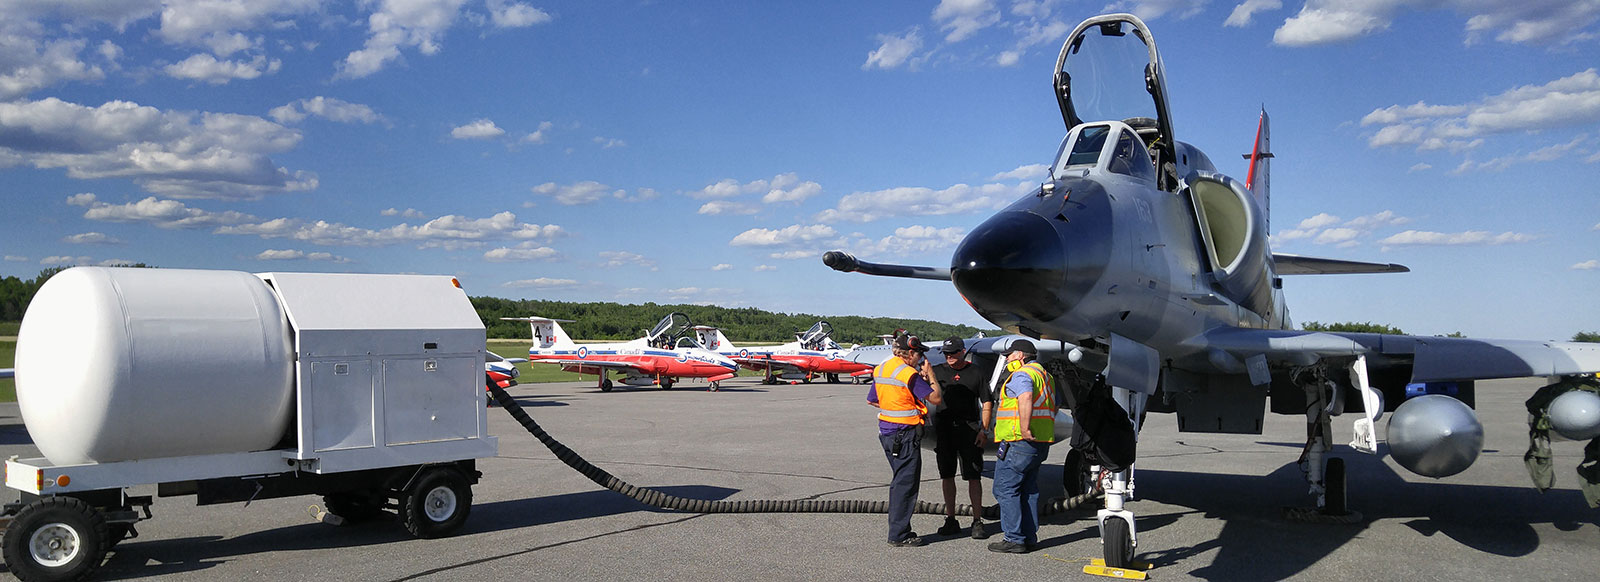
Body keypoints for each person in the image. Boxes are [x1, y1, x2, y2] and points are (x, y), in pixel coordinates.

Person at [867, 333, 943, 547]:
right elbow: (935, 398)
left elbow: (873, 400)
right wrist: (931, 376)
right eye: (919, 354)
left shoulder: (882, 368)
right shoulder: (908, 373)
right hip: (905, 435)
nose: (921, 359)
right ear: (910, 353)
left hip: (887, 432)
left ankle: (899, 529)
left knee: (900, 480)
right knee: (905, 484)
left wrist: (899, 401)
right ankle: (899, 534)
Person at [988, 339, 1057, 554]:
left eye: (1009, 355)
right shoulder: (1046, 376)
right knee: (1028, 490)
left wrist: (1025, 428)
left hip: (1019, 440)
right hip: (1040, 442)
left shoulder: (1022, 375)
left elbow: (1025, 396)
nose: (1006, 359)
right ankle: (1029, 537)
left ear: (1020, 355)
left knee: (1005, 489)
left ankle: (1014, 538)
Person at [929, 336, 995, 539]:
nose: (949, 357)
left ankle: (977, 520)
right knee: (946, 475)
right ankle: (951, 518)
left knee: (973, 476)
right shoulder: (937, 371)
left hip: (970, 430)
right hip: (945, 430)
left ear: (962, 352)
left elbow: (987, 402)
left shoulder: (976, 372)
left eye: (953, 353)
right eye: (946, 353)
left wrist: (984, 430)